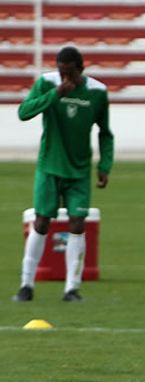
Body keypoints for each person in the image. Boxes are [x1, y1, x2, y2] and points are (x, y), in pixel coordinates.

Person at [13, 46, 114, 303]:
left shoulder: (98, 92)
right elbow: (24, 112)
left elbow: (105, 132)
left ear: (81, 70)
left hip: (79, 170)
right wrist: (56, 94)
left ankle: (72, 288)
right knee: (41, 222)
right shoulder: (47, 84)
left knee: (78, 224)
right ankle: (26, 285)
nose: (64, 77)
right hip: (49, 166)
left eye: (68, 73)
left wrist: (105, 165)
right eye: (61, 71)